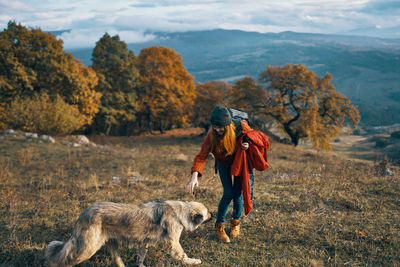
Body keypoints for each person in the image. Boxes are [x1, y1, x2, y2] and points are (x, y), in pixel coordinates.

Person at [186, 106, 254, 243]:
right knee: (228, 193)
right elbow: (201, 156)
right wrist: (194, 177)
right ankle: (219, 227)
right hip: (223, 163)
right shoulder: (211, 135)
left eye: (220, 127)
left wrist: (248, 145)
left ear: (228, 124)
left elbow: (255, 138)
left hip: (239, 163)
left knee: (238, 193)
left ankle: (236, 223)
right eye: (215, 127)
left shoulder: (240, 126)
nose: (217, 130)